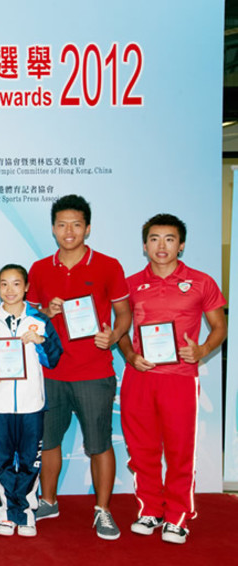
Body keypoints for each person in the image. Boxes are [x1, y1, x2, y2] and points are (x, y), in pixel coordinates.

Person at [26, 194, 131, 540]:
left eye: (75, 224)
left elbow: (124, 312)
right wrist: (47, 313)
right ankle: (48, 501)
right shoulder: (40, 268)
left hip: (94, 372)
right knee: (50, 441)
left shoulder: (108, 265)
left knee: (99, 443)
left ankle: (103, 511)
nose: (68, 231)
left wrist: (113, 336)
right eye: (61, 224)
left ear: (87, 227)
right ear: (53, 228)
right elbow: (28, 318)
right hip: (52, 372)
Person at [117, 214, 226, 545]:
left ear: (181, 244)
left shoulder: (201, 282)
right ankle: (150, 509)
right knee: (142, 449)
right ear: (144, 245)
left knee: (179, 450)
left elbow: (219, 326)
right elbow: (121, 329)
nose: (161, 246)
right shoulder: (130, 283)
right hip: (139, 377)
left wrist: (203, 349)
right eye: (153, 238)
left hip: (179, 378)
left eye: (168, 239)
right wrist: (130, 355)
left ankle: (179, 515)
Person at [0, 264, 62, 537]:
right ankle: (6, 512)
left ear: (26, 287)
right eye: (3, 284)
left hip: (31, 404)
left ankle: (24, 511)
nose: (9, 290)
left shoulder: (40, 320)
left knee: (28, 460)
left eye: (16, 284)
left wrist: (40, 341)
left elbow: (55, 358)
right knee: (3, 460)